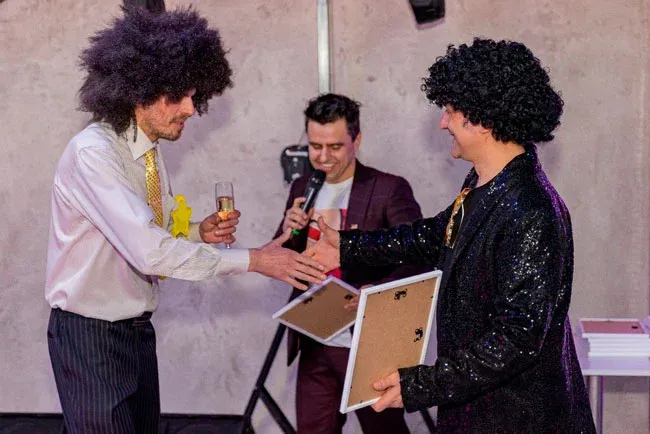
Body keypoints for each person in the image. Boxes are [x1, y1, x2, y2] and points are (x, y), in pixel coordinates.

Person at [45, 7, 326, 434]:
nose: (192, 109)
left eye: (195, 95)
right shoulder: (94, 154)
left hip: (136, 333)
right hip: (90, 337)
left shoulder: (149, 152)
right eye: (178, 96)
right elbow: (151, 252)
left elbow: (149, 231)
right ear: (138, 91)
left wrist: (198, 233)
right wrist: (255, 260)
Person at [305, 39, 596, 433]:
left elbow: (516, 339)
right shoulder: (484, 183)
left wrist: (419, 385)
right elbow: (432, 236)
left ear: (481, 119)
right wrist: (345, 246)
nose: (443, 123)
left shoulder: (530, 209)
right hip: (479, 410)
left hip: (517, 418)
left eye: (449, 111)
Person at [276, 93, 426, 434]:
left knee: (384, 431)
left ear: (356, 140)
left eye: (335, 147)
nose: (323, 157)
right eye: (315, 146)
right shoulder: (302, 185)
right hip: (314, 338)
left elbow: (419, 256)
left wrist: (378, 292)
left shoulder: (388, 188)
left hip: (367, 340)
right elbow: (282, 256)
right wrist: (288, 230)